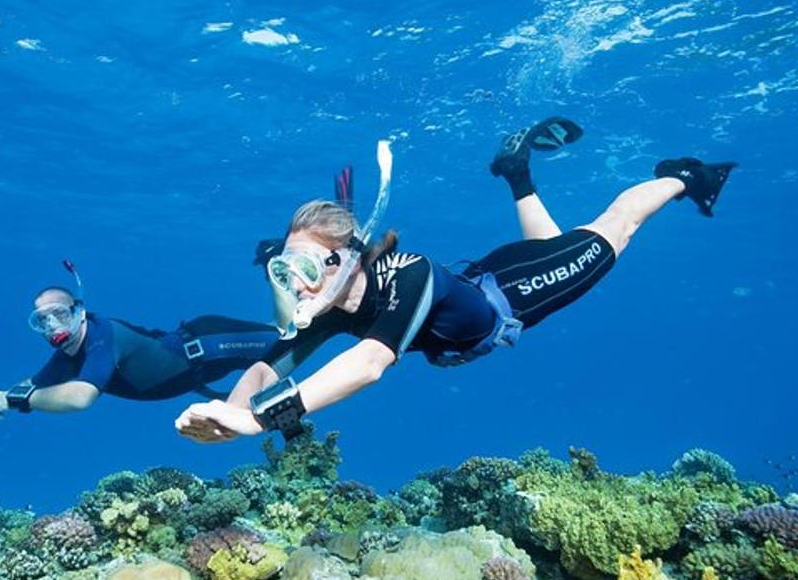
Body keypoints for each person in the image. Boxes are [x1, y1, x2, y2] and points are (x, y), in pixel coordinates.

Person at [175, 117, 736, 443]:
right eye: (282, 270)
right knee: (552, 243)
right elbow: (264, 365)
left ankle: (683, 176)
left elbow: (370, 365)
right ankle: (517, 172)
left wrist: (260, 421)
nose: (291, 286)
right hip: (488, 274)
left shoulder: (407, 275)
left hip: (514, 295)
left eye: (301, 269)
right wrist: (231, 408)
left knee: (614, 229)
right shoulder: (325, 308)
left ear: (344, 260)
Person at [0, 170, 356, 418]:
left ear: (79, 311)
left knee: (290, 333)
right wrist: (4, 397)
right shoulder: (68, 355)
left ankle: (319, 250)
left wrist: (25, 400)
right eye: (41, 320)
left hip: (208, 344)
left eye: (59, 314)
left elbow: (80, 397)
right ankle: (284, 266)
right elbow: (35, 384)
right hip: (202, 353)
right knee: (283, 331)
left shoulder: (100, 337)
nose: (52, 325)